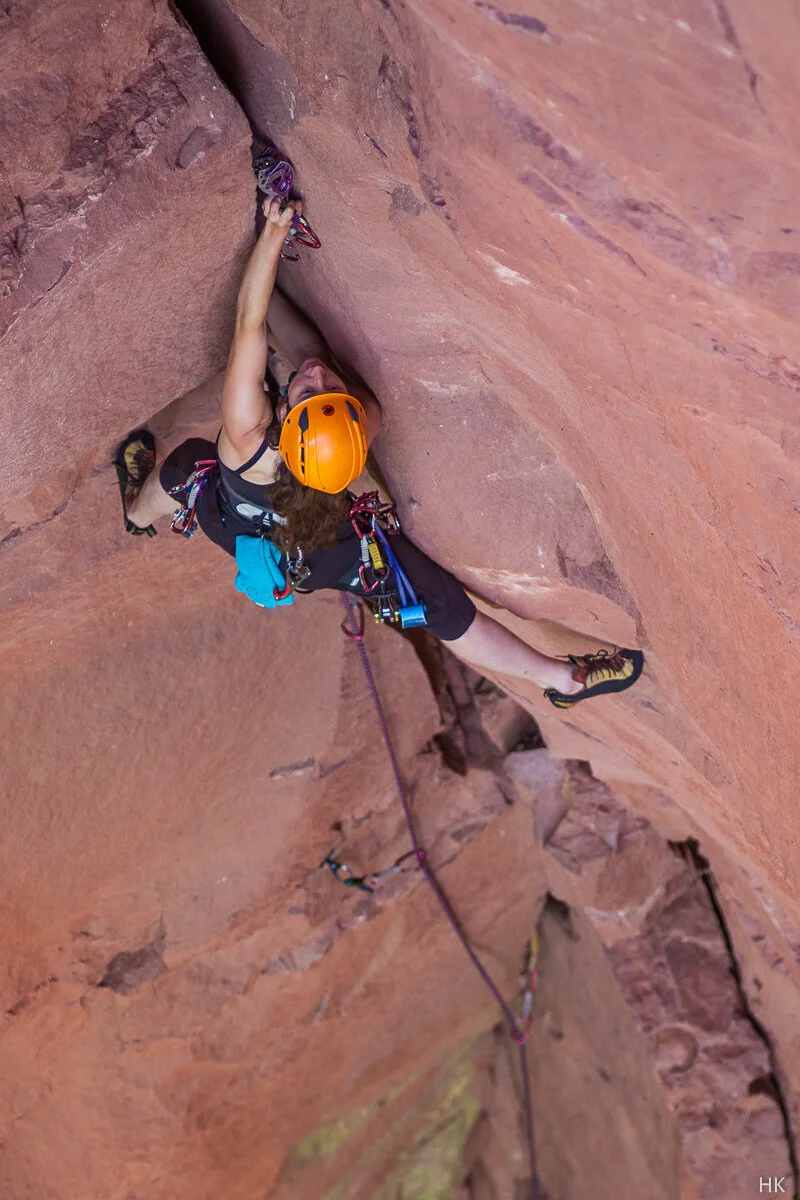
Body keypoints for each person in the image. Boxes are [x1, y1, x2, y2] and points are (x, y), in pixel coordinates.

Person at [115, 196, 643, 708]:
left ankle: (138, 513)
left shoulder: (248, 438)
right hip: (319, 551)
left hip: (232, 518)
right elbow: (304, 354)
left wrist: (269, 240)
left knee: (189, 464)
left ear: (283, 419)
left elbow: (248, 324)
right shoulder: (361, 419)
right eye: (320, 388)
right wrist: (272, 269)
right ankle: (562, 680)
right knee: (432, 604)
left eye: (309, 390)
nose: (318, 377)